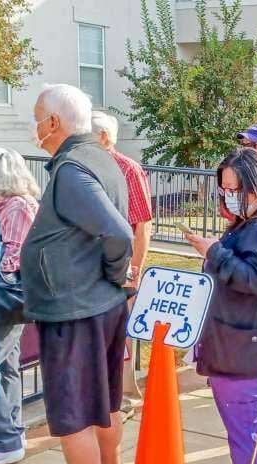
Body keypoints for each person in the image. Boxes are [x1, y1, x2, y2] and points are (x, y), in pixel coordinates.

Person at [21, 84, 133, 464]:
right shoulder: (102, 157)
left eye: (37, 118)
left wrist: (112, 270)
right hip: (97, 304)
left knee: (72, 416)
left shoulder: (71, 168)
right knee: (104, 404)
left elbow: (118, 232)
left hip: (75, 309)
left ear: (53, 123)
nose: (35, 128)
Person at [184, 148, 257, 464]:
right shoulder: (251, 225)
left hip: (243, 349)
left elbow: (256, 280)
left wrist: (213, 251)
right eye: (225, 190)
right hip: (237, 344)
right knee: (255, 428)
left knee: (245, 434)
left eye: (236, 190)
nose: (230, 198)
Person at [0, 146, 40, 464]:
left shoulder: (18, 207)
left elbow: (11, 258)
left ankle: (5, 439)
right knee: (5, 365)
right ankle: (12, 432)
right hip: (3, 299)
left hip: (5, 297)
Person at [92, 111, 153, 399]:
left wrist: (136, 269)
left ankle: (124, 392)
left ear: (103, 136)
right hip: (90, 265)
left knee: (121, 330)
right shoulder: (83, 167)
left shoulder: (128, 169)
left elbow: (143, 223)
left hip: (119, 265)